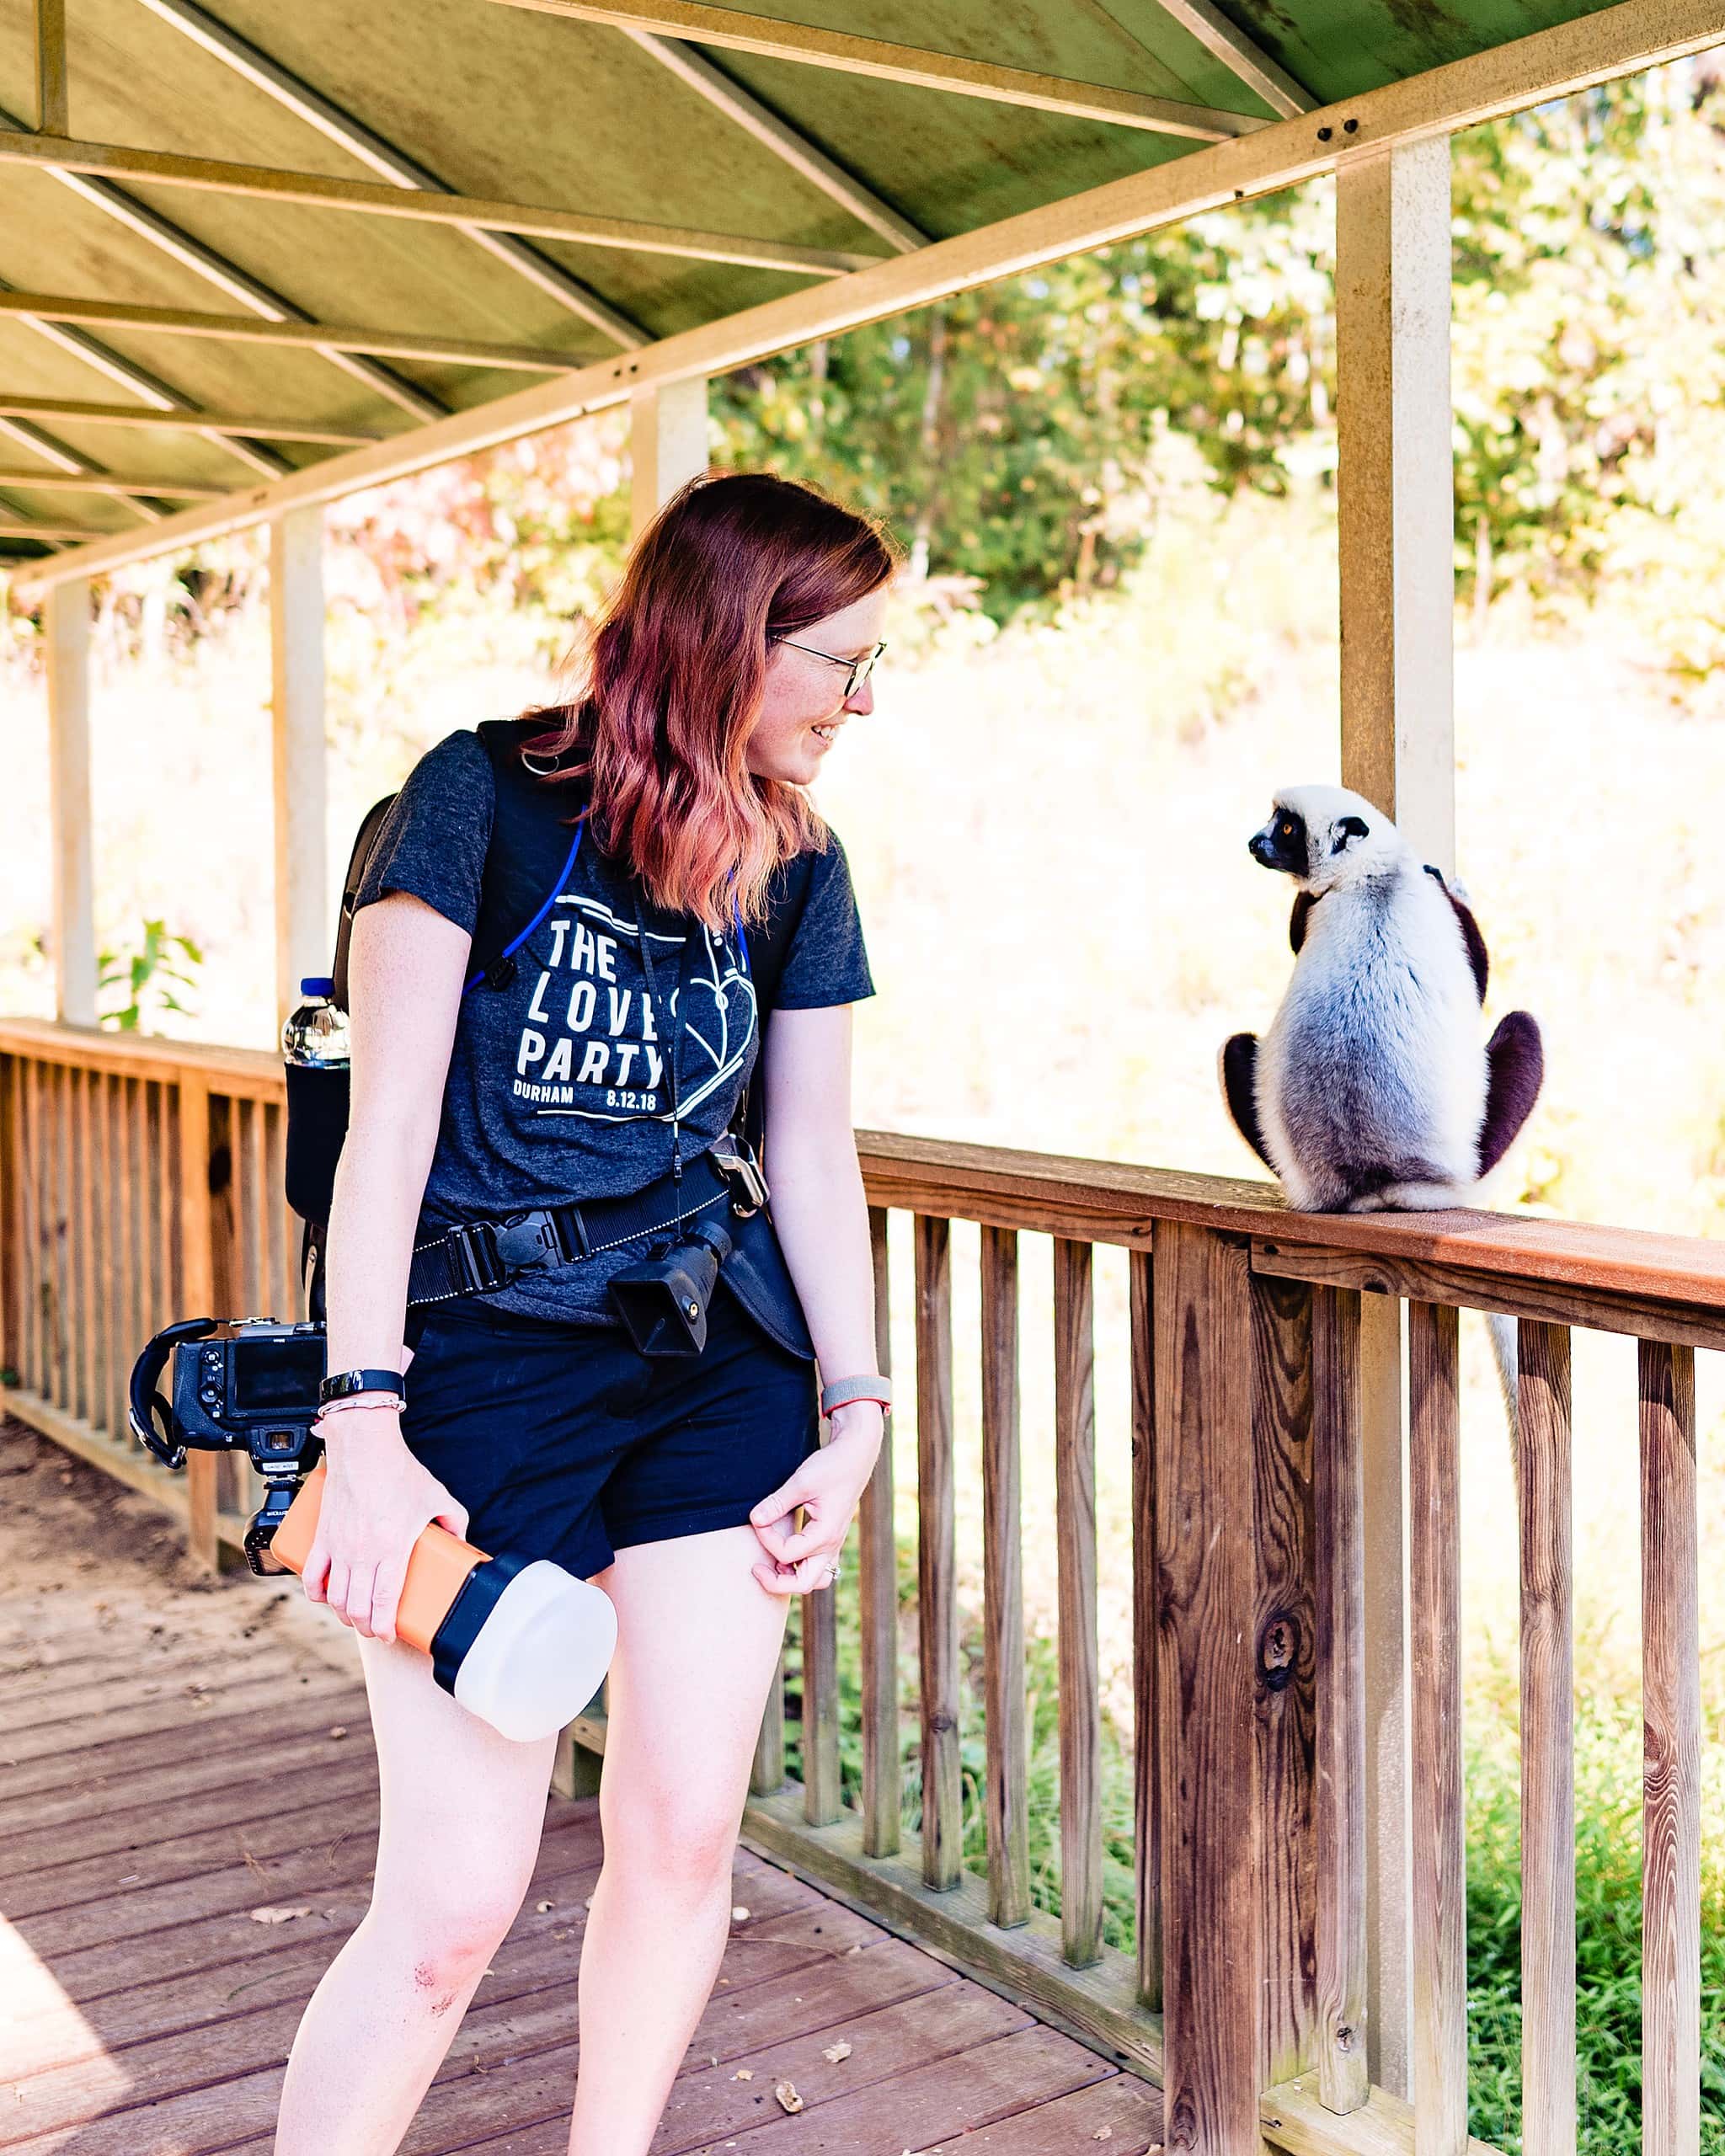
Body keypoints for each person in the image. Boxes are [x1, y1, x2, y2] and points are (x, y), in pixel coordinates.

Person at [273, 469, 898, 2155]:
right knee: (453, 1904)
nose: (858, 702)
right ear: (733, 636)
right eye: (841, 661)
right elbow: (385, 1136)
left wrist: (857, 1413)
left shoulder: (799, 862)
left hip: (715, 1370)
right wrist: (365, 1424)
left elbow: (810, 1150)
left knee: (683, 1836)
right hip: (479, 1373)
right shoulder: (478, 799)